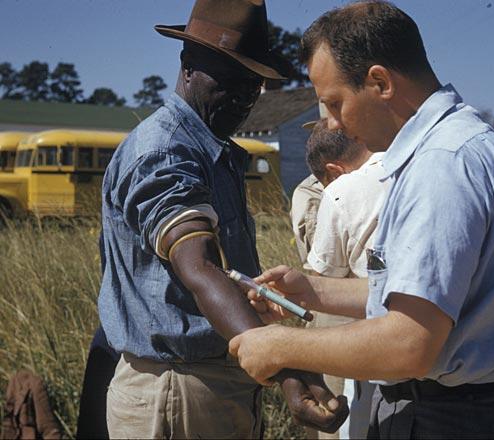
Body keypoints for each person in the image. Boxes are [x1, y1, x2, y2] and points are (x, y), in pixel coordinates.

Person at [229, 1, 494, 438]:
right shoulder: (470, 144)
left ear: (380, 82)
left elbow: (410, 343)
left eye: (334, 103)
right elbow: (433, 293)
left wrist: (281, 346)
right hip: (488, 412)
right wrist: (314, 290)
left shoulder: (440, 167)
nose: (331, 124)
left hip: (449, 421)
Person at [97, 1, 348, 438]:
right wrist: (287, 368)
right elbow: (201, 267)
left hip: (213, 383)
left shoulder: (213, 148)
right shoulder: (165, 151)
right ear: (188, 65)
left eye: (254, 87)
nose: (244, 98)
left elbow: (226, 274)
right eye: (230, 81)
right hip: (177, 390)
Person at [304, 119, 389, 439]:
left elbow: (323, 281)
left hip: (376, 353)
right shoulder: (411, 168)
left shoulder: (341, 191)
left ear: (334, 171)